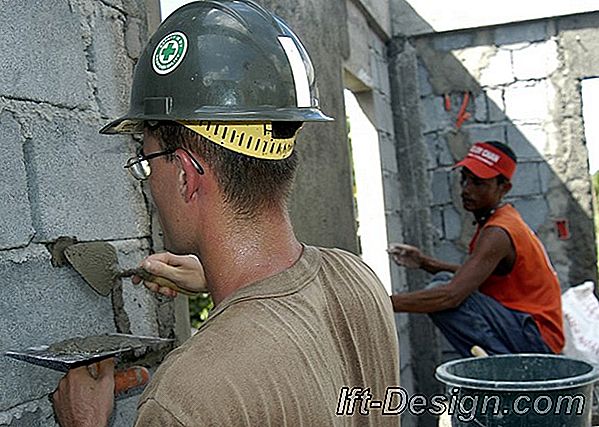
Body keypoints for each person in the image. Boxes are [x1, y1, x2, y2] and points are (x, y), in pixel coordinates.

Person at [52, 1, 400, 426]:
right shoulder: (358, 279)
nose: (148, 180)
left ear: (184, 174)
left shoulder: (188, 397)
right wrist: (215, 279)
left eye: (146, 162)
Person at [388, 140, 564, 357]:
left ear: (504, 187)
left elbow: (451, 296)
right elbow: (476, 274)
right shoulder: (500, 219)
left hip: (536, 340)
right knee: (443, 280)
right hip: (525, 328)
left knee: (442, 292)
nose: (466, 190)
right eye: (465, 179)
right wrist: (424, 262)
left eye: (478, 183)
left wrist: (381, 303)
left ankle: (504, 368)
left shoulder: (498, 232)